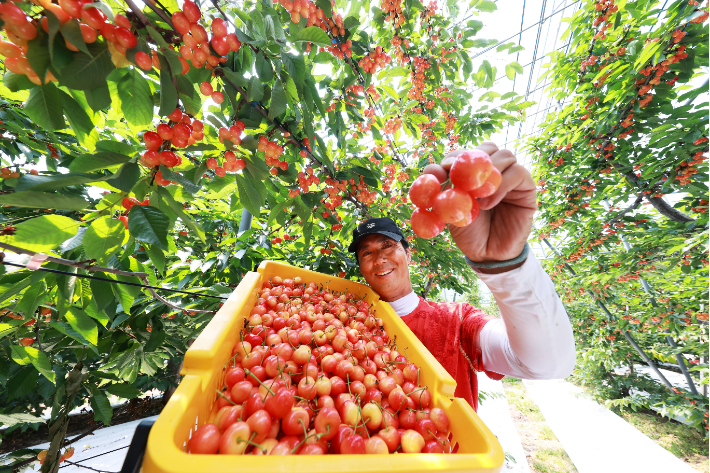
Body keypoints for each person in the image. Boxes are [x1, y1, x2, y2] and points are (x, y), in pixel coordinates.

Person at [348, 142, 576, 411]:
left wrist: (505, 266)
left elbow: (549, 363)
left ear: (408, 256)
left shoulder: (456, 322)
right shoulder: (349, 325)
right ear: (361, 267)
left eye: (388, 246)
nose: (379, 258)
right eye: (366, 253)